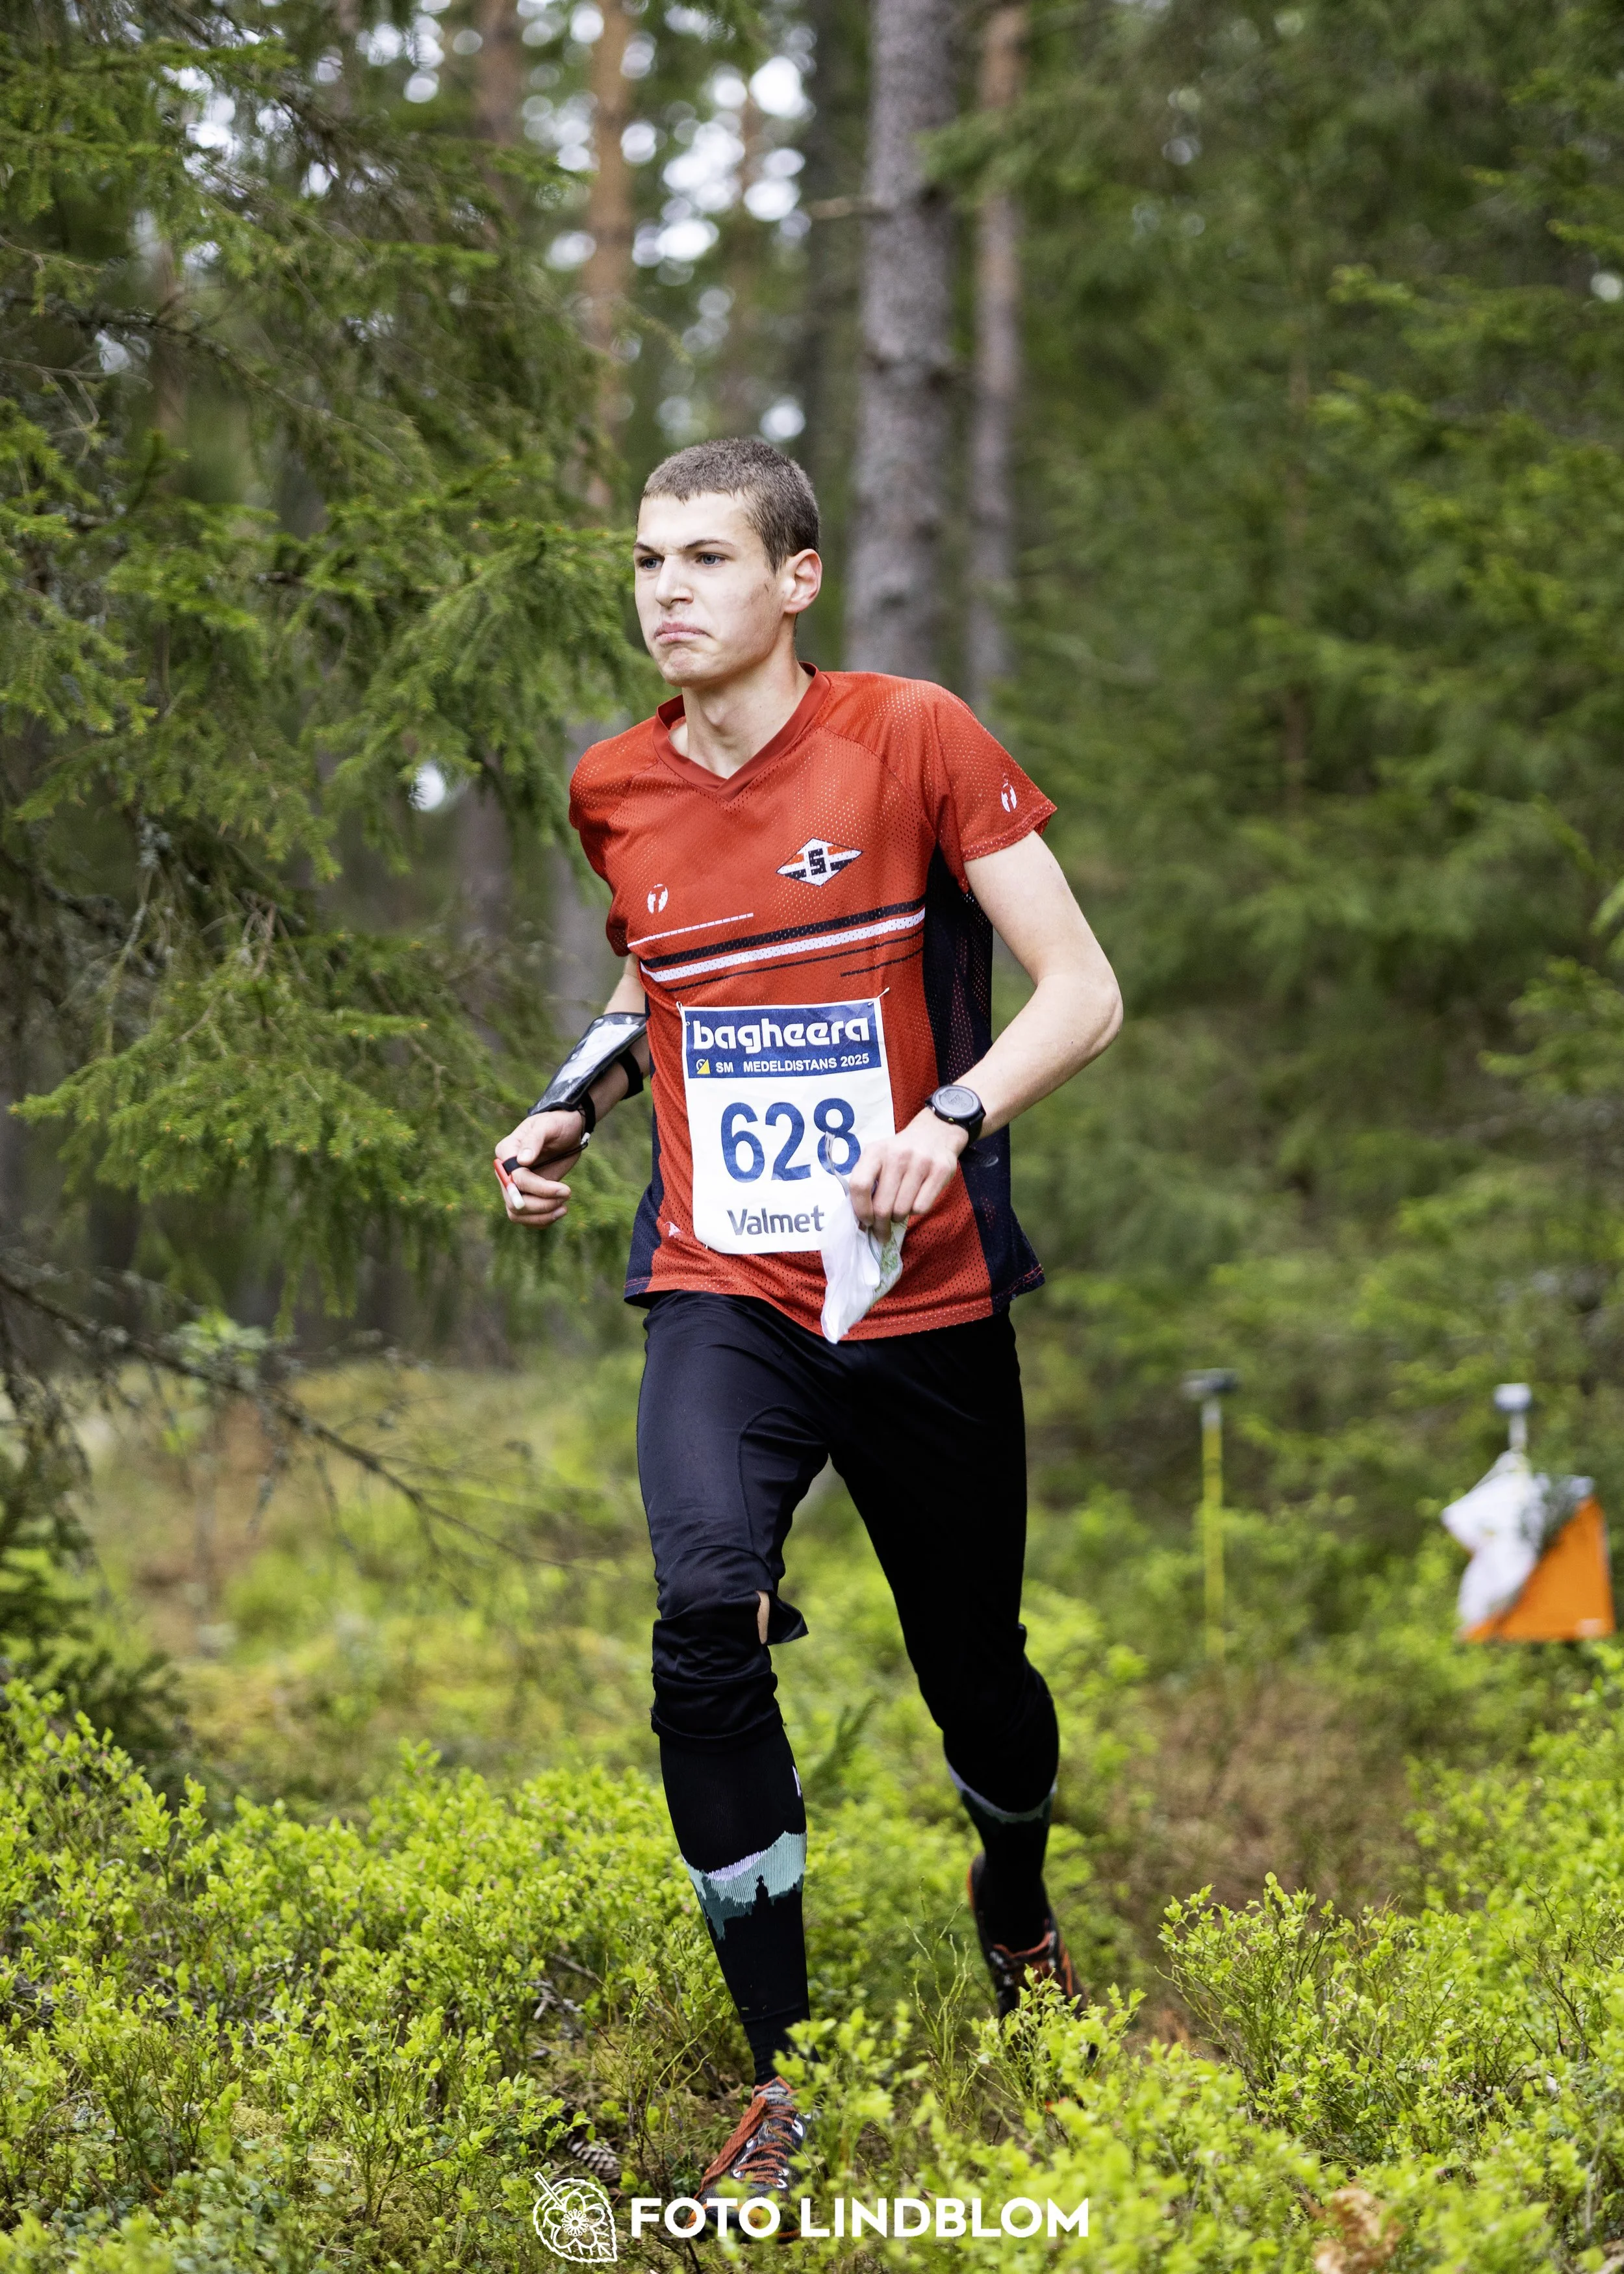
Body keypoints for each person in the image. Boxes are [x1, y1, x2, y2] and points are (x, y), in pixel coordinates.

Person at [494, 437, 1122, 2227]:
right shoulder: (612, 782)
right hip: (725, 1282)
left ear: (794, 579)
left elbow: (1083, 989)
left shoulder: (910, 736)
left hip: (917, 1297)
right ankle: (787, 2072)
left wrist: (953, 1119)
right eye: (641, 561)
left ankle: (1011, 1895)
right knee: (704, 1611)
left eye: (702, 557)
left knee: (975, 1675)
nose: (663, 590)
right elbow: (652, 976)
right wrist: (565, 1108)